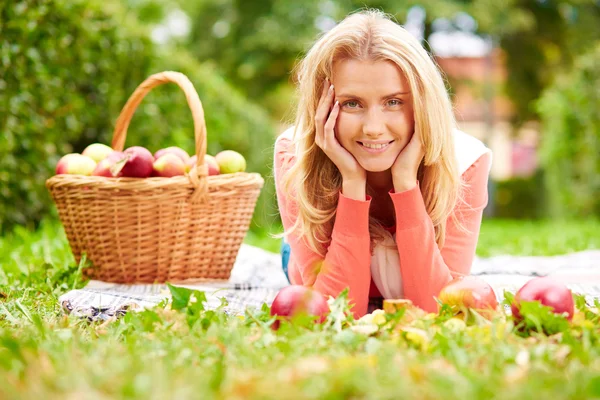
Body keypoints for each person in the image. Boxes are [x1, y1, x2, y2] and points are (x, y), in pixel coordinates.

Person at [274, 9, 492, 318]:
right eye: (352, 103)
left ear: (422, 103)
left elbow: (436, 310)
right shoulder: (296, 155)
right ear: (321, 108)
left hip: (421, 266)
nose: (373, 127)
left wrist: (405, 184)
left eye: (393, 102)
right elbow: (337, 311)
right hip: (326, 260)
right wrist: (352, 183)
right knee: (296, 261)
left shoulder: (465, 162)